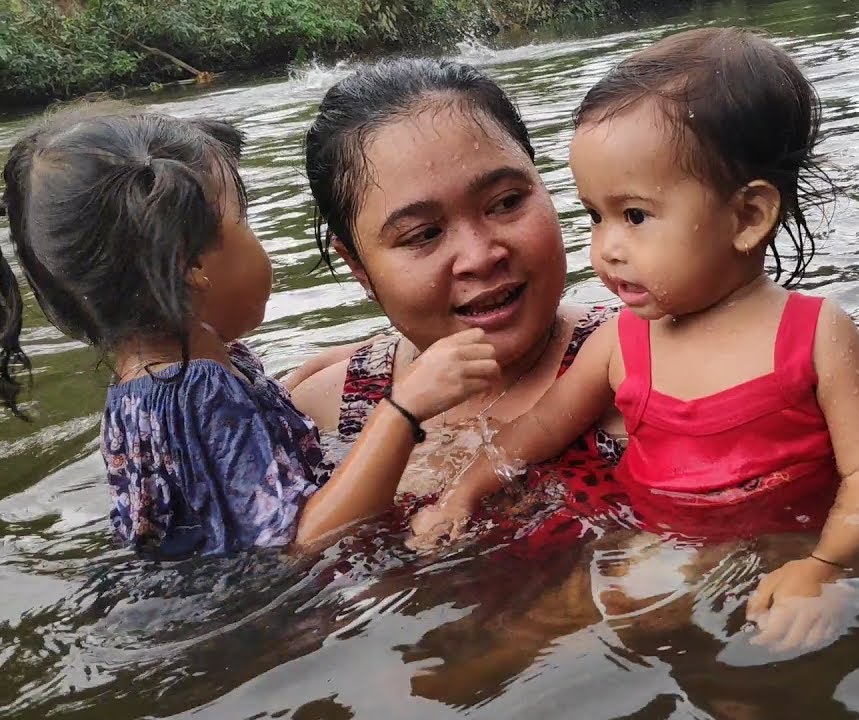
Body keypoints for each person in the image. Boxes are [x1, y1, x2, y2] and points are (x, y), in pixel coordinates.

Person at [410, 28, 859, 627]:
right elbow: (535, 431)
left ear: (748, 216)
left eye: (635, 215)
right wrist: (463, 491)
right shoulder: (621, 342)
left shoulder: (816, 334)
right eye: (595, 216)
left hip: (791, 550)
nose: (606, 247)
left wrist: (826, 566)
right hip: (660, 550)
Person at [0, 108, 500, 558]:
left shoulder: (163, 376)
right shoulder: (196, 391)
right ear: (191, 265)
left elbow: (240, 455)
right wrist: (401, 410)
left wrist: (368, 353)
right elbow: (302, 542)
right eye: (244, 222)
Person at [290, 57, 628, 542]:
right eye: (423, 234)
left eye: (507, 202)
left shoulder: (653, 364)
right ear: (358, 267)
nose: (479, 256)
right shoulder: (322, 409)